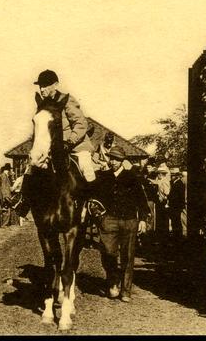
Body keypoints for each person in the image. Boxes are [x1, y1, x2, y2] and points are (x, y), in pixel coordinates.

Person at [16, 69, 96, 217]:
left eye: (46, 85)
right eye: (40, 86)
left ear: (56, 85)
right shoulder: (42, 105)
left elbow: (80, 124)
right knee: (31, 168)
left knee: (86, 167)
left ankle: (93, 203)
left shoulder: (67, 99)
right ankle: (23, 201)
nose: (42, 89)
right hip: (51, 147)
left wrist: (69, 141)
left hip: (75, 145)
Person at [95, 146, 149, 303]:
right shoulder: (102, 177)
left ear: (122, 161)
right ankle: (112, 280)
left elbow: (141, 199)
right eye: (111, 158)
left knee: (127, 256)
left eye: (117, 159)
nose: (113, 162)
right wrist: (100, 216)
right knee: (107, 252)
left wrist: (143, 219)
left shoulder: (132, 177)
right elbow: (93, 195)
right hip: (109, 220)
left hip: (129, 221)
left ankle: (125, 291)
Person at [168, 167, 186, 245]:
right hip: (175, 206)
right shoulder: (177, 183)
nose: (171, 177)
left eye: (172, 175)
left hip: (176, 206)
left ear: (176, 176)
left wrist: (168, 197)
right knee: (175, 222)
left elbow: (176, 196)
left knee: (176, 222)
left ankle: (177, 238)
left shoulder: (178, 184)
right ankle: (177, 237)